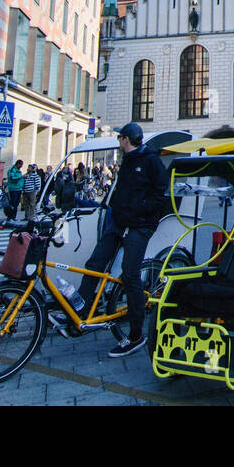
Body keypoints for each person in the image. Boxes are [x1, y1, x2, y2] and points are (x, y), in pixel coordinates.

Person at [57, 123, 168, 357]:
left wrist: (138, 211)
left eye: (120, 139)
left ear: (126, 139)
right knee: (95, 263)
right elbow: (121, 192)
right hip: (119, 220)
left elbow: (160, 195)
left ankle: (136, 335)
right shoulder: (127, 160)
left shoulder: (150, 160)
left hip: (140, 225)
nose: (118, 142)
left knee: (130, 274)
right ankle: (80, 312)